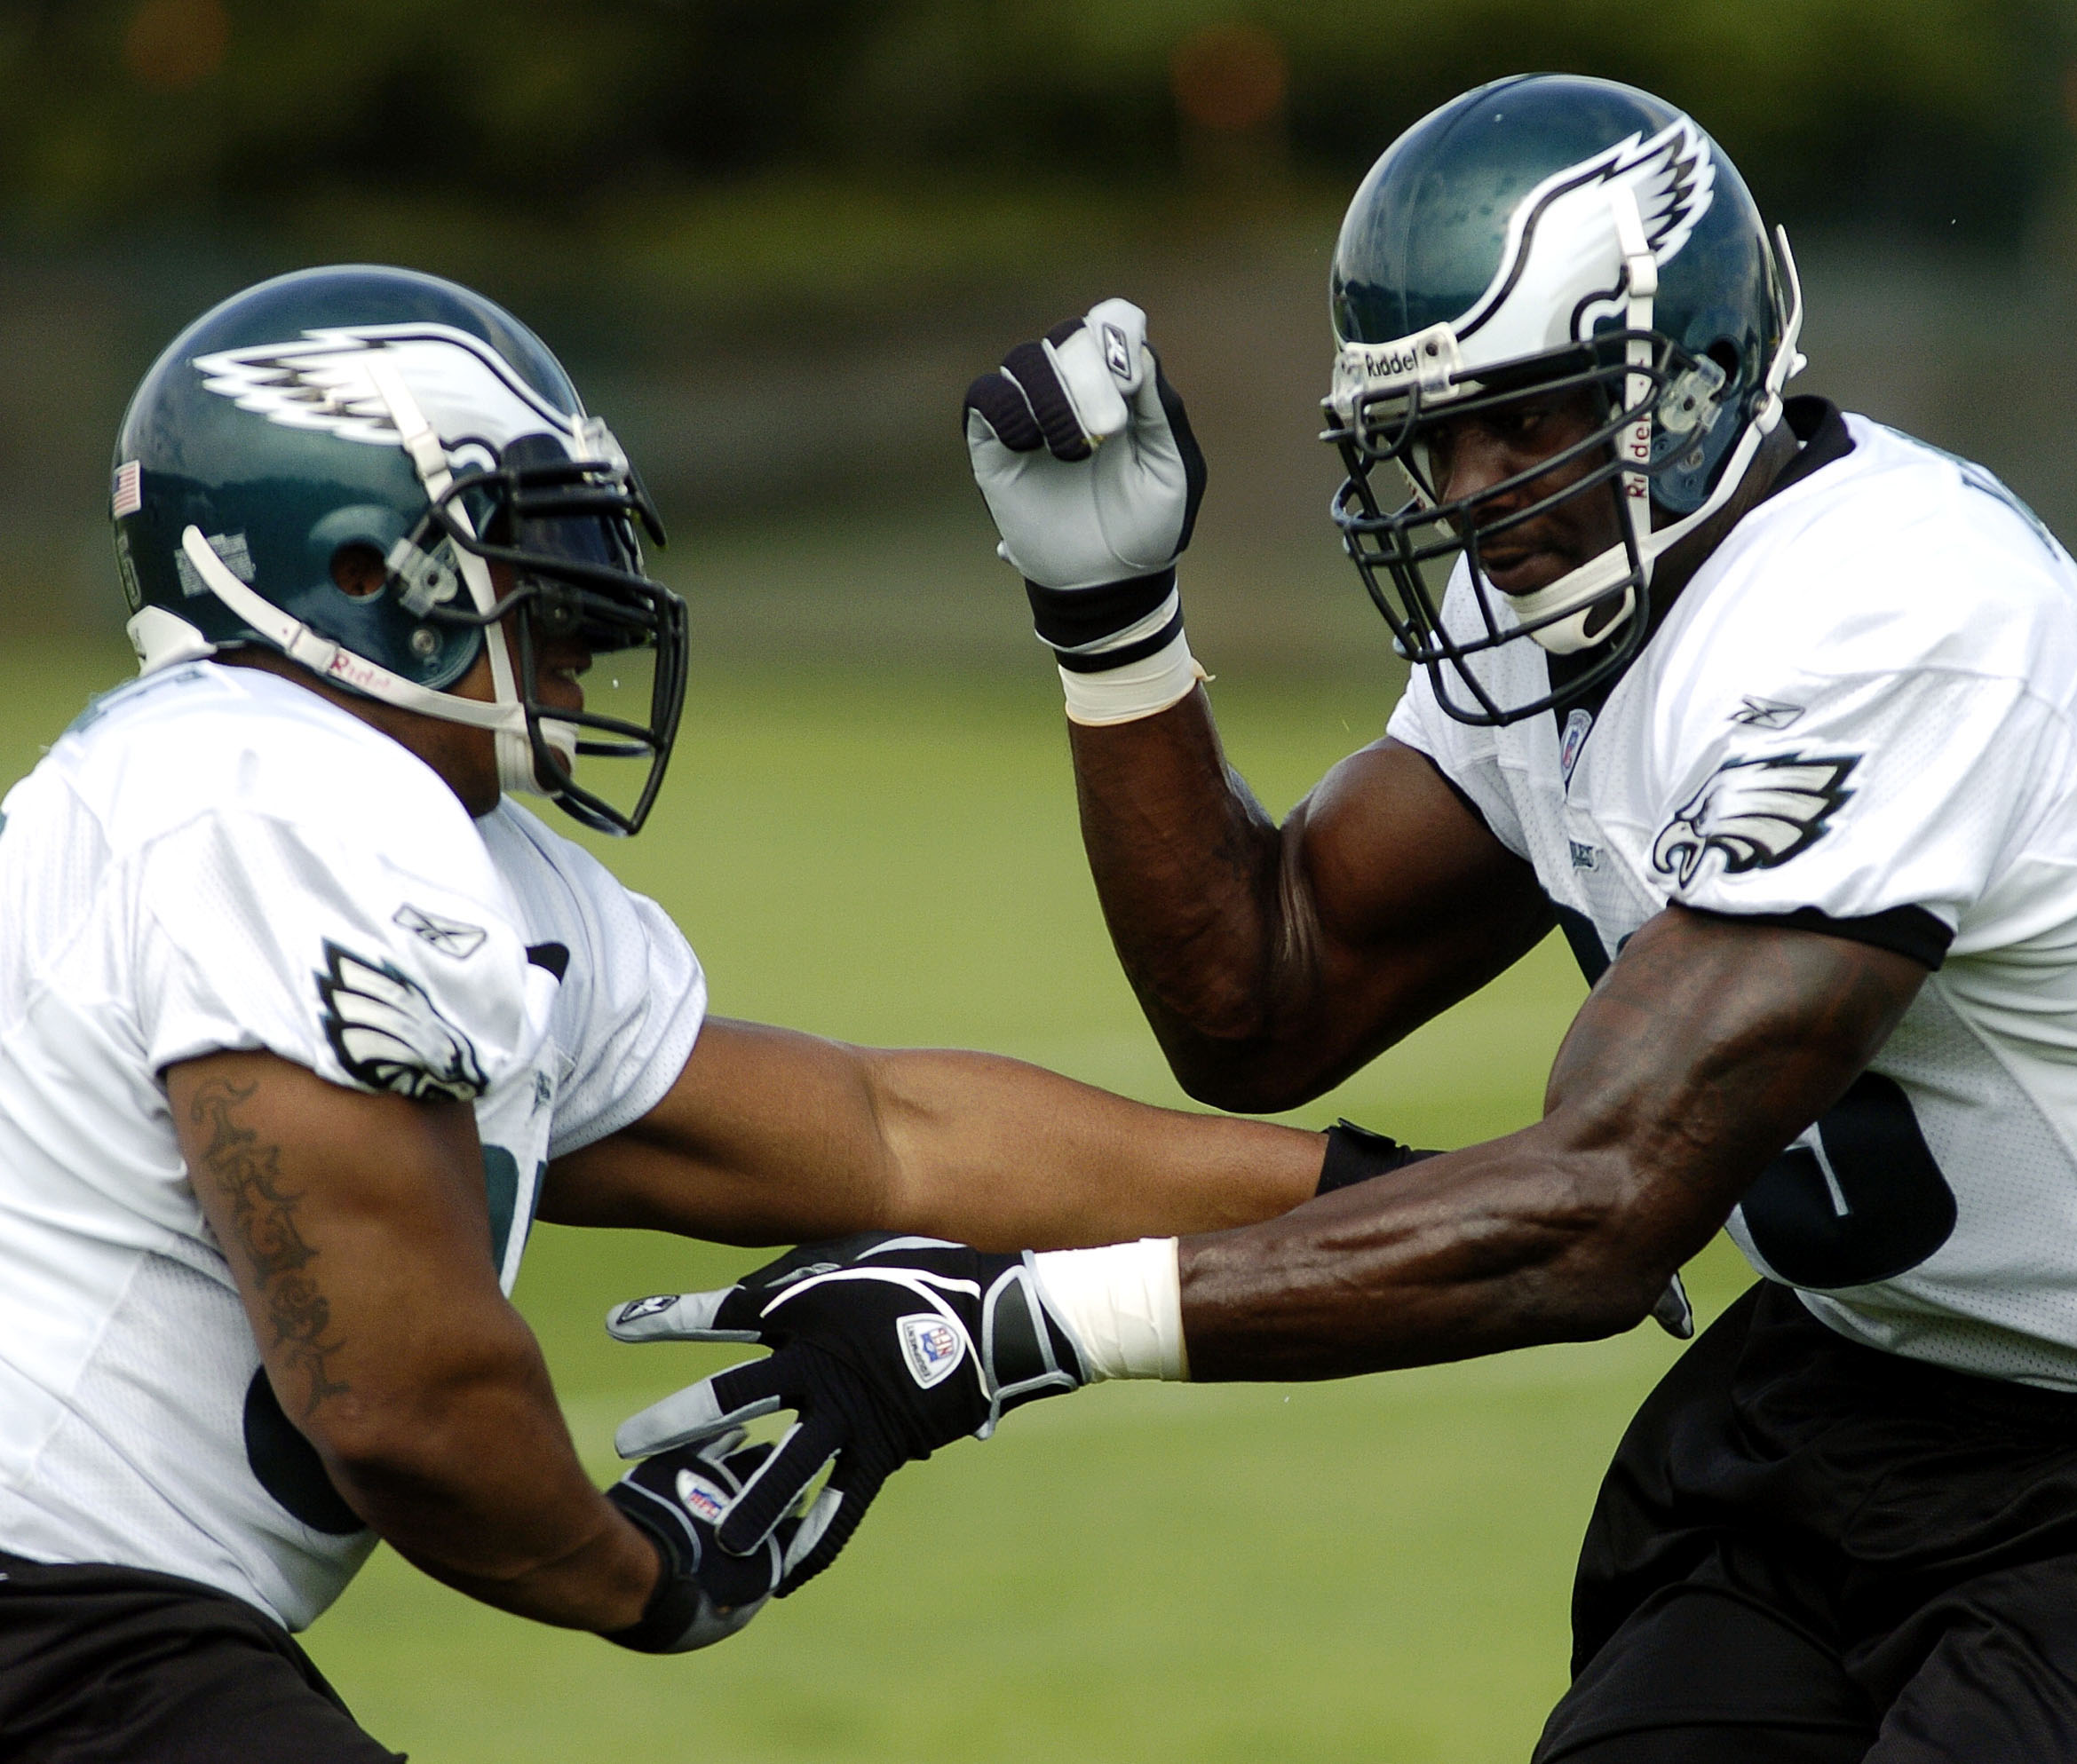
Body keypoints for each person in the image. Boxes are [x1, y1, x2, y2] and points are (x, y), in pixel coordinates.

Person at [613, 74, 2077, 1763]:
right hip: (1872, 1400)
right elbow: (1263, 997)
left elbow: (1602, 1208)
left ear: (1685, 370)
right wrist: (1114, 634)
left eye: (1520, 421)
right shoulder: (1593, 600)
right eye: (1435, 437)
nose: (1473, 490)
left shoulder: (1889, 617)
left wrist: (1021, 1326)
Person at [0, 263, 1381, 1764]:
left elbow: (889, 1137)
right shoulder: (278, 796)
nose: (592, 588)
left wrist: (1388, 1200)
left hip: (108, 1631)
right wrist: (656, 1576)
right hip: (57, 1625)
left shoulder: (433, 854)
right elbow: (404, 1403)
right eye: (528, 534)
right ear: (350, 569)